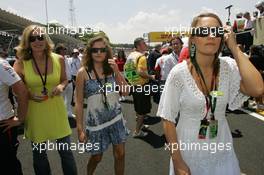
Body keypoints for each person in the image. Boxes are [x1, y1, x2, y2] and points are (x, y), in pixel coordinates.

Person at [157, 12, 264, 175]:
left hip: (221, 145)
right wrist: (177, 160)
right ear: (193, 39)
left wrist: (235, 49)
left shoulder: (228, 66)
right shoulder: (178, 73)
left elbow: (257, 89)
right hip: (188, 150)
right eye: (203, 31)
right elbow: (167, 119)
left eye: (217, 32)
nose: (211, 36)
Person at [14, 25, 77, 175]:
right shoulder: (20, 63)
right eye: (33, 38)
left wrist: (61, 87)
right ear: (27, 42)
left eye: (41, 37)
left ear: (46, 39)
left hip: (57, 111)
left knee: (66, 153)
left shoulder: (59, 59)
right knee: (40, 155)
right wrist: (28, 94)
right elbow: (15, 89)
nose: (37, 41)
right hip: (35, 114)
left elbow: (64, 80)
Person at [75, 36, 129, 175]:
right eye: (95, 50)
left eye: (102, 49)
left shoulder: (111, 69)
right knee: (97, 157)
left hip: (116, 118)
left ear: (107, 51)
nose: (99, 53)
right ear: (89, 52)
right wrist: (80, 129)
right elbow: (79, 102)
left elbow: (126, 91)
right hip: (96, 123)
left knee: (120, 154)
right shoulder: (83, 73)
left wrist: (117, 72)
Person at [0, 56, 28, 175]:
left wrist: (20, 118)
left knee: (7, 165)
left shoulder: (1, 64)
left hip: (3, 124)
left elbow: (21, 91)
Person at [125, 37, 155, 137]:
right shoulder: (141, 57)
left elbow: (127, 70)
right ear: (138, 46)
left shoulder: (131, 55)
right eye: (143, 43)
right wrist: (151, 77)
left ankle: (141, 126)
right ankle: (137, 131)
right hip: (141, 86)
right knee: (142, 111)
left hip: (133, 85)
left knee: (138, 109)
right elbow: (141, 72)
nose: (146, 45)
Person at [55, 44, 74, 118]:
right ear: (59, 50)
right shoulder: (56, 59)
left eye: (65, 49)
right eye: (63, 49)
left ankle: (68, 113)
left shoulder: (67, 58)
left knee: (69, 99)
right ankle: (60, 114)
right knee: (61, 100)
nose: (65, 50)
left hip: (70, 81)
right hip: (62, 82)